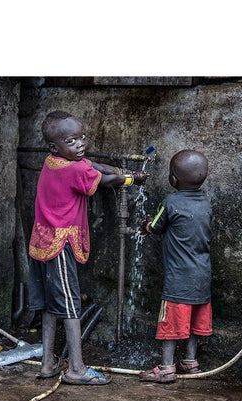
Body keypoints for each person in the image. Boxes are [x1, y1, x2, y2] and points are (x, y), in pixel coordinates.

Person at [28, 110, 149, 385]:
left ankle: (47, 363)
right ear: (54, 146)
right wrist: (129, 178)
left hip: (41, 241)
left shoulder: (52, 162)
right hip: (61, 245)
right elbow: (101, 178)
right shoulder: (75, 169)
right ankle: (76, 369)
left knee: (49, 305)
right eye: (72, 141)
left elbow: (93, 165)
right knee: (70, 306)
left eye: (82, 137)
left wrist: (121, 171)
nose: (80, 144)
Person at [137, 150, 212, 383]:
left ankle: (166, 368)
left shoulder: (170, 202)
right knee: (193, 322)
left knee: (170, 322)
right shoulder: (205, 202)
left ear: (173, 179)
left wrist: (146, 225)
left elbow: (157, 225)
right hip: (203, 275)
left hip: (178, 278)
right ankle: (190, 362)